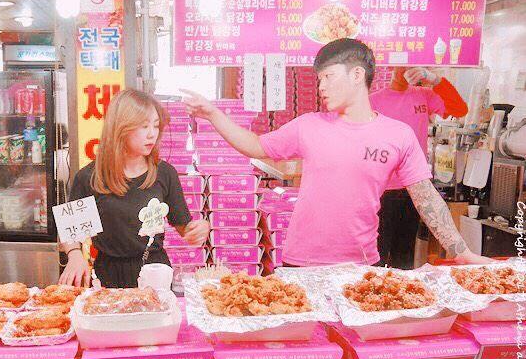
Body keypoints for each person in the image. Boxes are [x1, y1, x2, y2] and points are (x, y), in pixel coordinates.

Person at [182, 38, 490, 267]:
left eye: (328, 77)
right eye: (319, 80)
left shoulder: (398, 135)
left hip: (361, 265)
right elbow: (255, 145)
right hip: (301, 264)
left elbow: (426, 198)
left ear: (356, 75)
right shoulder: (308, 126)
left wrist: (461, 252)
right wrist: (213, 114)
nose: (321, 87)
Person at [59, 89, 210, 288]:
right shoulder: (89, 177)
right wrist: (74, 255)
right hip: (108, 275)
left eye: (156, 125)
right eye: (144, 126)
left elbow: (184, 227)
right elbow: (71, 232)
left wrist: (199, 228)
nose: (152, 134)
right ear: (120, 128)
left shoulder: (165, 173)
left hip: (155, 271)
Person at [371, 67, 469, 268]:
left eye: (413, 64)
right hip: (381, 189)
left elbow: (460, 110)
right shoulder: (373, 100)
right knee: (376, 253)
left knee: (405, 253)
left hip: (415, 187)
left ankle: (404, 288)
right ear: (393, 65)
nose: (408, 69)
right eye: (403, 65)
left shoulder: (424, 95)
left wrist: (435, 80)